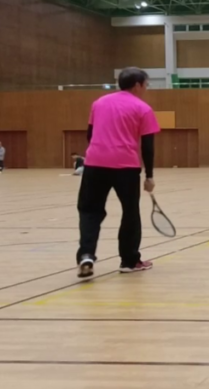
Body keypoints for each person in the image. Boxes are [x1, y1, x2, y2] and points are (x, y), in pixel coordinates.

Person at [76, 67, 160, 278]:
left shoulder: (99, 103)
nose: (146, 88)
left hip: (95, 164)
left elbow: (90, 135)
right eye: (146, 84)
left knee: (90, 211)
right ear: (137, 85)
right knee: (130, 213)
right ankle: (129, 261)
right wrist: (149, 176)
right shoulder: (143, 108)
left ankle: (86, 254)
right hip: (126, 167)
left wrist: (100, 151)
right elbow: (148, 147)